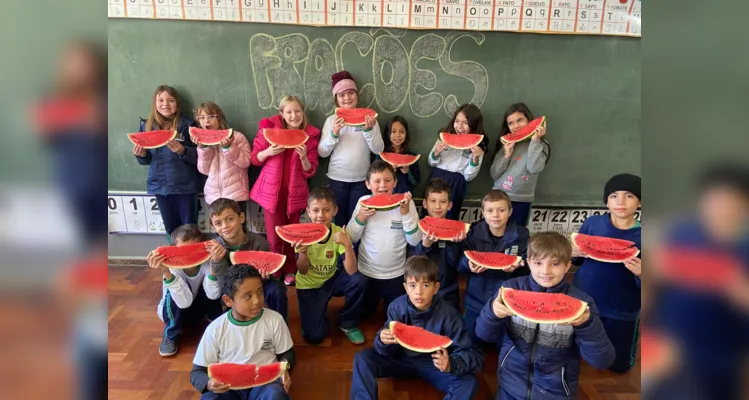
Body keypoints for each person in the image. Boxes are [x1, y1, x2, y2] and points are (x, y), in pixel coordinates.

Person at [649, 164, 749, 400]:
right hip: (671, 354)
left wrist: (736, 287)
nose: (720, 209)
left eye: (728, 201)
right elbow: (655, 287)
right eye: (713, 200)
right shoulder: (680, 234)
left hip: (725, 359)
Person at [475, 232, 615, 400]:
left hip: (556, 392)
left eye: (555, 264)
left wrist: (587, 325)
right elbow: (484, 334)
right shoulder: (510, 289)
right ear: (528, 263)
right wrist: (492, 313)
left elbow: (602, 361)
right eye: (538, 263)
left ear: (567, 265)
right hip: (510, 386)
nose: (545, 271)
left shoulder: (582, 303)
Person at [350, 256, 483, 400]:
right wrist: (383, 340)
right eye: (413, 285)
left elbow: (473, 355)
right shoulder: (396, 307)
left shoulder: (450, 315)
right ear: (406, 287)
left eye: (425, 285)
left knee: (468, 382)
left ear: (435, 288)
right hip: (400, 359)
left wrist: (451, 364)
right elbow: (386, 351)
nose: (418, 292)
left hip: (433, 364)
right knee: (362, 358)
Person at [572, 173, 642, 373]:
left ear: (640, 202)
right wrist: (574, 252)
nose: (620, 201)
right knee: (577, 349)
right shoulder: (593, 224)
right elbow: (577, 260)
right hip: (585, 298)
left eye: (629, 196)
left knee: (619, 366)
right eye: (613, 196)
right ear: (606, 202)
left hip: (622, 308)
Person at [191, 265, 294, 399]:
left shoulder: (275, 320)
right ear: (228, 300)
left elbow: (287, 353)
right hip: (229, 388)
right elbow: (197, 372)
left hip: (265, 384)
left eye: (260, 292)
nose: (257, 301)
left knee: (275, 394)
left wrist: (284, 367)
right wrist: (209, 384)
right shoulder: (215, 329)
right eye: (248, 296)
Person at [252, 95, 321, 286]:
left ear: (303, 112)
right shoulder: (268, 131)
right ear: (281, 114)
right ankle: (275, 268)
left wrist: (305, 158)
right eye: (289, 112)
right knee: (274, 237)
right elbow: (254, 159)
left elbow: (310, 171)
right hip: (270, 193)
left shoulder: (310, 136)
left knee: (293, 235)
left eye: (297, 111)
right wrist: (268, 152)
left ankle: (291, 269)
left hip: (295, 194)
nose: (294, 115)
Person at [347, 161, 422, 318]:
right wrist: (361, 218)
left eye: (387, 180)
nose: (382, 185)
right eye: (377, 181)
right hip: (367, 274)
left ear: (395, 182)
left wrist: (405, 213)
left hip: (397, 275)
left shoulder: (407, 203)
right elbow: (351, 237)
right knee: (365, 313)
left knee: (395, 316)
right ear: (368, 184)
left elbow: (414, 241)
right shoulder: (363, 202)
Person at [294, 187, 365, 345]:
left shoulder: (338, 232)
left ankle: (347, 322)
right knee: (315, 336)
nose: (320, 215)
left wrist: (347, 245)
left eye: (326, 210)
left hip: (331, 280)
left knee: (359, 280)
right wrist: (303, 253)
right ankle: (315, 317)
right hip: (309, 286)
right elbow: (303, 271)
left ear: (334, 211)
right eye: (316, 210)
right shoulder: (301, 235)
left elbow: (352, 271)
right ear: (308, 212)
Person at [132, 84, 201, 242]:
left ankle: (193, 264)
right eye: (161, 100)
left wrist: (183, 151)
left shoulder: (188, 126)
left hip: (185, 186)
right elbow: (147, 160)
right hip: (160, 187)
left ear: (177, 104)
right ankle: (175, 264)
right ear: (154, 103)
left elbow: (201, 157)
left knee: (190, 228)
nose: (165, 104)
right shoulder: (146, 126)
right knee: (170, 228)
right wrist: (141, 155)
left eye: (170, 100)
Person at [459, 190, 528, 343]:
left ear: (510, 212)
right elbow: (461, 261)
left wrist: (518, 266)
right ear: (483, 212)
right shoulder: (473, 232)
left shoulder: (521, 234)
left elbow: (527, 263)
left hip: (506, 301)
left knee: (505, 343)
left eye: (501, 210)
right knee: (469, 341)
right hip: (475, 299)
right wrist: (468, 264)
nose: (495, 215)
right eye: (490, 210)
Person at [318, 71, 384, 227]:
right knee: (338, 221)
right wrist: (334, 133)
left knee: (358, 222)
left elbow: (378, 149)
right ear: (336, 99)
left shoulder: (369, 119)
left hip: (362, 180)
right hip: (337, 179)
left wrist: (368, 130)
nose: (347, 98)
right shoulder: (331, 120)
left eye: (350, 93)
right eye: (341, 95)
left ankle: (352, 251)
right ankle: (341, 251)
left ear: (357, 95)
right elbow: (322, 152)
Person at [147, 224, 223, 357]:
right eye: (183, 251)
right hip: (175, 310)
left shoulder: (205, 262)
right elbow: (184, 302)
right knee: (174, 293)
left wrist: (213, 265)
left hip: (197, 312)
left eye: (194, 249)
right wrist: (166, 272)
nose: (189, 255)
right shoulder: (172, 268)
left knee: (214, 283)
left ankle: (216, 322)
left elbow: (213, 294)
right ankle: (170, 333)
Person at [207, 198, 288, 321]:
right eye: (218, 223)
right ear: (213, 227)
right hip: (234, 291)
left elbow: (270, 275)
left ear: (241, 218)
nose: (225, 226)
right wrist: (216, 261)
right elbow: (224, 283)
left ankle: (282, 326)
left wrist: (265, 277)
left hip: (259, 285)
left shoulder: (259, 243)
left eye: (230, 219)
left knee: (277, 290)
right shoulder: (216, 248)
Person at [490, 102, 551, 227]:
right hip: (498, 197)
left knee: (516, 238)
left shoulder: (541, 145)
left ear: (529, 120)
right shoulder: (506, 144)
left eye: (520, 120)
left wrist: (535, 140)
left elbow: (533, 167)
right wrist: (506, 155)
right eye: (510, 123)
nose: (516, 126)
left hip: (522, 200)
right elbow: (494, 174)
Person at [426, 103, 487, 220]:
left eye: (465, 123)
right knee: (430, 215)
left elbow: (468, 176)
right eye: (457, 121)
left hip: (456, 183)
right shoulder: (443, 136)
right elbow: (431, 162)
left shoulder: (478, 147)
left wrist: (475, 159)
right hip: (436, 178)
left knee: (451, 216)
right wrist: (436, 153)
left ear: (474, 125)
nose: (459, 126)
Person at [412, 178, 464, 310]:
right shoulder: (416, 229)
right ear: (425, 203)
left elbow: (457, 265)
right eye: (433, 201)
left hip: (448, 292)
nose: (437, 207)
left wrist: (454, 244)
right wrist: (425, 245)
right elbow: (413, 266)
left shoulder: (457, 232)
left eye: (443, 202)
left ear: (450, 205)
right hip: (421, 292)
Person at [193, 101, 252, 208]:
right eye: (201, 117)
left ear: (219, 117)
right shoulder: (202, 143)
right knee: (218, 224)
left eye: (211, 116)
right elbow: (204, 170)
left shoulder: (237, 137)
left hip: (236, 195)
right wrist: (204, 148)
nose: (206, 120)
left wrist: (228, 148)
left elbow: (246, 162)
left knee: (238, 224)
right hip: (213, 196)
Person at [373, 115, 421, 194]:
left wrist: (408, 172)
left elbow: (415, 182)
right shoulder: (381, 155)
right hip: (384, 197)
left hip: (404, 198)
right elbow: (374, 179)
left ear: (406, 133)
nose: (398, 135)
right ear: (388, 133)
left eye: (402, 131)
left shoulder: (411, 156)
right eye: (393, 131)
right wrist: (389, 171)